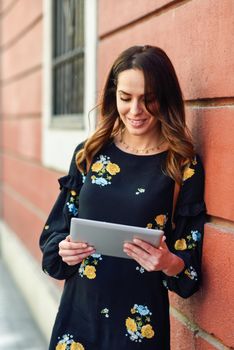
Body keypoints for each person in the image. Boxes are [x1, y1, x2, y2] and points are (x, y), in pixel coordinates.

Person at [40, 45, 206, 350]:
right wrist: (64, 249)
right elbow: (54, 236)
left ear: (165, 97)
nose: (135, 110)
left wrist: (168, 262)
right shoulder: (88, 154)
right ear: (113, 96)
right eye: (125, 98)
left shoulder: (183, 165)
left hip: (140, 329)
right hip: (78, 321)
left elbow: (189, 269)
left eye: (148, 99)